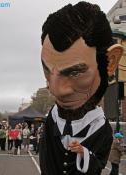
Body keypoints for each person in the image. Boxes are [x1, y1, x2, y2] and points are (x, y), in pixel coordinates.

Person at [39, 2, 124, 175]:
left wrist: (83, 153)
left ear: (111, 62)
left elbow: (98, 165)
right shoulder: (52, 120)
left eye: (75, 72)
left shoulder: (100, 128)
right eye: (47, 70)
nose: (56, 90)